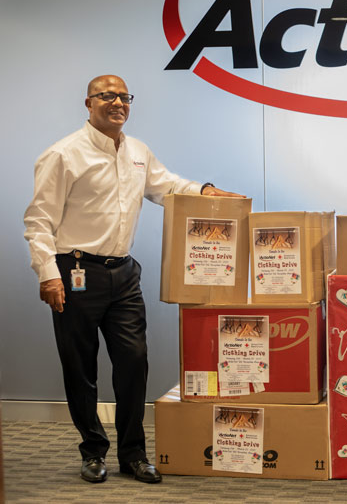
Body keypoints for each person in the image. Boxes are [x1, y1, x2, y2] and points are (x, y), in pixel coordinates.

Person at [23, 75, 245, 484]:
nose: (118, 103)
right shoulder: (63, 154)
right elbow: (38, 221)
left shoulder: (138, 152)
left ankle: (133, 454)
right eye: (107, 96)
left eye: (124, 97)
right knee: (80, 367)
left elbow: (167, 186)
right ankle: (92, 451)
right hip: (75, 273)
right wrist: (47, 273)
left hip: (123, 273)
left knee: (134, 363)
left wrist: (207, 190)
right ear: (87, 103)